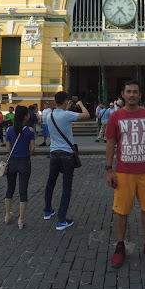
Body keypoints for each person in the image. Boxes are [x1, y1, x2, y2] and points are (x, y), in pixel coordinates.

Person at [105, 80, 145, 268]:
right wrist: (109, 169)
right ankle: (120, 246)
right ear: (122, 94)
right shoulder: (115, 116)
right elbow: (110, 143)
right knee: (121, 211)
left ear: (139, 95)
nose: (131, 95)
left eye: (135, 92)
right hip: (123, 172)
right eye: (128, 91)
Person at [44, 92, 90, 230]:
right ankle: (61, 220)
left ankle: (47, 211)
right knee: (66, 188)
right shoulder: (66, 115)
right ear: (65, 102)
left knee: (50, 183)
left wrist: (65, 107)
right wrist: (80, 104)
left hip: (53, 154)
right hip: (67, 155)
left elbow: (60, 116)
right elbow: (87, 115)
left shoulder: (48, 115)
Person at [4, 106, 36, 229]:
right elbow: (32, 148)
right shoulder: (30, 130)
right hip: (24, 162)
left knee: (10, 189)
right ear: (25, 116)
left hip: (12, 162)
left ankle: (7, 215)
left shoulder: (9, 130)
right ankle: (21, 219)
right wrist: (28, 154)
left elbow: (8, 149)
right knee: (23, 190)